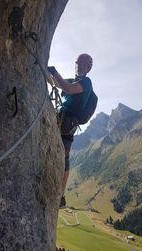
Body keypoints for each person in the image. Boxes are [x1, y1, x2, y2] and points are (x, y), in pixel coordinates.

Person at [47, 53, 93, 207]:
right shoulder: (75, 80)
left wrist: (54, 72)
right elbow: (56, 83)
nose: (79, 66)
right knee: (61, 155)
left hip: (67, 123)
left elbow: (67, 88)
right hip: (62, 117)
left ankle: (61, 194)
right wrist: (46, 71)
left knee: (64, 157)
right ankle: (60, 194)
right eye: (78, 63)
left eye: (83, 64)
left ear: (88, 68)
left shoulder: (86, 82)